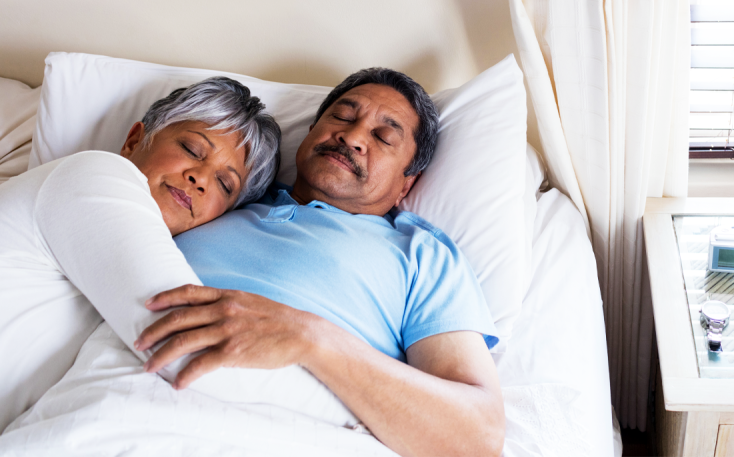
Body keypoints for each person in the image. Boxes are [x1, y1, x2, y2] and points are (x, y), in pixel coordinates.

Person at [134, 68, 506, 457]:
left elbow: (477, 438)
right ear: (311, 131)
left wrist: (311, 338)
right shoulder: (223, 195)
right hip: (139, 388)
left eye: (383, 137)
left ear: (405, 185)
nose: (352, 136)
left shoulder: (421, 255)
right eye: (342, 117)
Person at [0, 76, 281, 431]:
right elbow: (187, 352)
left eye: (225, 185)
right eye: (193, 150)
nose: (200, 178)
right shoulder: (95, 175)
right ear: (134, 141)